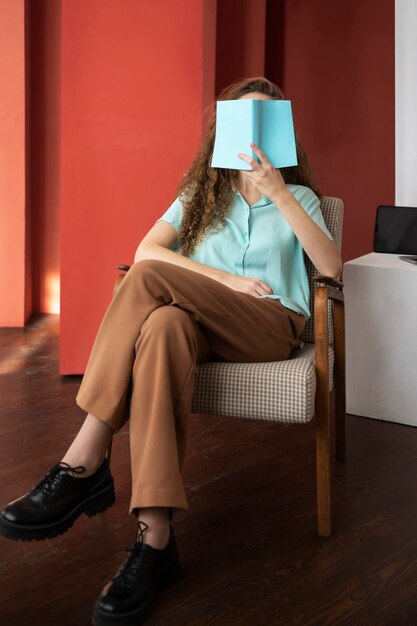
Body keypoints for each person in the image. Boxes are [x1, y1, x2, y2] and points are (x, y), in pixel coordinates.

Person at [0, 77, 342, 626]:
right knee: (161, 327)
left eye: (266, 121)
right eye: (241, 120)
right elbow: (147, 251)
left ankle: (85, 457)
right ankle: (155, 538)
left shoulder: (299, 198)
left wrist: (279, 191)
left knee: (148, 279)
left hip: (272, 325)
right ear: (223, 133)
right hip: (205, 322)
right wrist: (224, 281)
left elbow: (330, 268)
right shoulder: (201, 196)